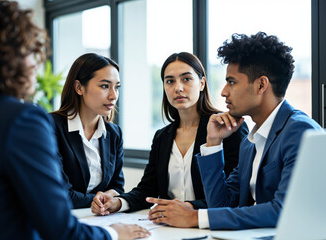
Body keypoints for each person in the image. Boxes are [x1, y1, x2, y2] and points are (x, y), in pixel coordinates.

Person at [0, 0, 150, 239]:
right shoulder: (23, 120)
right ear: (8, 58)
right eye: (30, 51)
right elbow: (59, 228)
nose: (36, 63)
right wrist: (114, 234)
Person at [146, 32, 322, 229]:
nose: (223, 91)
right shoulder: (250, 143)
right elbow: (220, 205)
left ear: (261, 85)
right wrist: (213, 144)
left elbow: (283, 210)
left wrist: (195, 217)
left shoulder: (300, 132)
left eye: (232, 82)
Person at [91, 52, 248, 215]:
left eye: (186, 79)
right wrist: (118, 202)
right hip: (168, 227)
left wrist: (190, 207)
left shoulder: (228, 128)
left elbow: (233, 195)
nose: (178, 88)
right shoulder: (162, 136)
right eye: (170, 81)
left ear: (202, 83)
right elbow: (147, 189)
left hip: (212, 225)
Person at [51, 53, 125, 209]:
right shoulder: (51, 126)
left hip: (98, 219)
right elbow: (61, 193)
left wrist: (106, 199)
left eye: (116, 87)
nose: (113, 95)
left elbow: (117, 187)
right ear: (79, 87)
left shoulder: (114, 133)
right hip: (60, 220)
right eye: (105, 86)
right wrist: (99, 200)